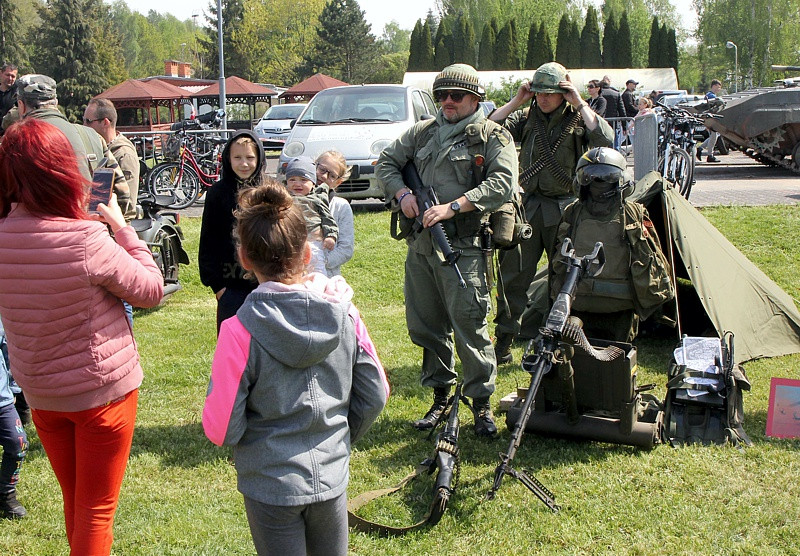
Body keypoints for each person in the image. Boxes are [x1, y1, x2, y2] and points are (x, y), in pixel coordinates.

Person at [0, 118, 164, 554]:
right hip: (101, 393)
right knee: (96, 510)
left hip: (41, 393)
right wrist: (123, 229)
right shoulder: (87, 238)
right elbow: (151, 290)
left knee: (76, 500)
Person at [202, 182, 388, 556]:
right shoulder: (347, 315)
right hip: (331, 474)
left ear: (244, 258)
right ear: (306, 253)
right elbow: (377, 393)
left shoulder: (238, 331)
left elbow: (222, 428)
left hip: (271, 484)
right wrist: (338, 437)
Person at [377, 63, 517, 436]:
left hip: (464, 246)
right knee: (426, 325)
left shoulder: (492, 137)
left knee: (470, 325)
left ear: (475, 98)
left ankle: (480, 404)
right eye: (442, 95)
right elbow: (387, 163)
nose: (447, 102)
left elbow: (502, 183)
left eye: (456, 95)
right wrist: (402, 194)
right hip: (423, 246)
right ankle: (440, 397)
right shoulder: (423, 132)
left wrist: (454, 206)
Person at [489, 62, 613, 364]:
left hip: (564, 211)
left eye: (550, 93)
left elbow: (605, 139)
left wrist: (579, 102)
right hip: (528, 210)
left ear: (563, 92)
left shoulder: (578, 119)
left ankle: (556, 343)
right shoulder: (526, 117)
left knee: (563, 278)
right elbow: (488, 128)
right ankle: (503, 342)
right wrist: (518, 99)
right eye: (539, 92)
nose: (543, 98)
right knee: (514, 276)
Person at [548, 147, 674, 342]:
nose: (599, 184)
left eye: (604, 179)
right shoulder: (632, 213)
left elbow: (554, 266)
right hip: (611, 303)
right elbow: (655, 260)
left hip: (579, 301)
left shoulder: (573, 212)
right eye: (594, 179)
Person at [15, 74, 133, 220]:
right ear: (55, 102)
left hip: (34, 230)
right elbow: (122, 194)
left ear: (21, 105)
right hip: (88, 228)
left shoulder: (15, 141)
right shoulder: (91, 136)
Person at [199, 130, 265, 334]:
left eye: (250, 157)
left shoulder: (269, 190)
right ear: (228, 158)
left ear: (259, 158)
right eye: (237, 157)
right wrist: (219, 288)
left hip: (266, 283)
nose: (244, 163)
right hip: (231, 287)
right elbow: (208, 240)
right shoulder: (217, 193)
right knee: (234, 342)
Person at [83, 97, 139, 215]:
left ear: (105, 123)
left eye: (88, 121)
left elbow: (128, 205)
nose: (84, 126)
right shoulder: (97, 149)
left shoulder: (124, 154)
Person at [284, 156, 338, 275]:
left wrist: (331, 235)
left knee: (316, 267)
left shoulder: (316, 199)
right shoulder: (284, 199)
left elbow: (327, 218)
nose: (297, 184)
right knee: (291, 271)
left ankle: (319, 283)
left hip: (313, 241)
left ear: (313, 183)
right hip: (290, 242)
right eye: (292, 180)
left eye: (303, 180)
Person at [0, 317, 27, 519]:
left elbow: (7, 350)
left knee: (18, 444)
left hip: (3, 400)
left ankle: (6, 493)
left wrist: (14, 387)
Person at [316, 150, 355, 277]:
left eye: (332, 175)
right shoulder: (293, 200)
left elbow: (346, 249)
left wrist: (319, 263)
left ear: (338, 182)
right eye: (322, 169)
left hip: (327, 276)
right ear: (314, 165)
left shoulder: (340, 207)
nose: (324, 176)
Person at [698, 79, 723, 163]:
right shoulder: (711, 96)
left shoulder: (709, 95)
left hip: (710, 119)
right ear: (714, 86)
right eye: (718, 87)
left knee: (714, 136)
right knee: (714, 136)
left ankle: (700, 148)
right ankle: (710, 155)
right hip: (711, 119)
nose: (719, 89)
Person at [599, 76, 627, 149]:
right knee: (614, 146)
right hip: (613, 124)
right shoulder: (616, 94)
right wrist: (624, 127)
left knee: (600, 147)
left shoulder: (598, 94)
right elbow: (622, 111)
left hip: (600, 123)